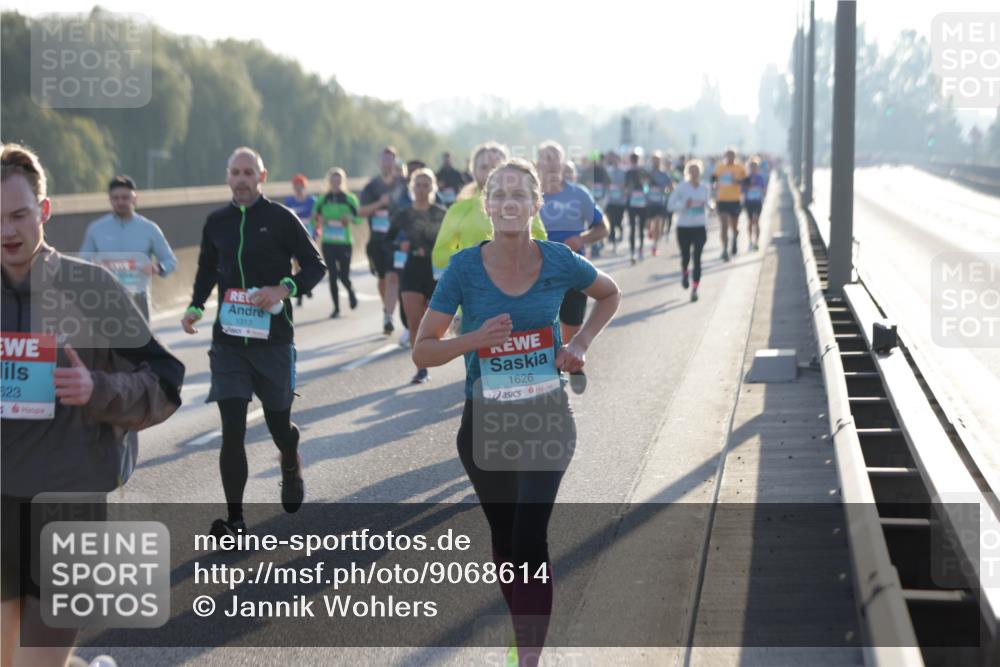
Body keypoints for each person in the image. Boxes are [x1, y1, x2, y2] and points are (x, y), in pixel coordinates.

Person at [412, 158, 620, 667]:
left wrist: (581, 343)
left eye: (519, 194)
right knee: (506, 540)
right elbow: (423, 350)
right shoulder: (464, 268)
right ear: (487, 206)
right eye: (499, 194)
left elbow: (609, 293)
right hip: (485, 423)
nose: (509, 202)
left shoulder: (558, 260)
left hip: (547, 416)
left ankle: (528, 656)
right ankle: (521, 623)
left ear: (535, 205)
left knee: (530, 536)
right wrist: (474, 339)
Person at [2, 143, 184, 667]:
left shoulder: (90, 288)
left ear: (44, 210)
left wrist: (96, 389)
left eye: (18, 215)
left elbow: (165, 381)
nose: (7, 230)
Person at [181, 147, 326, 537]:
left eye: (249, 173)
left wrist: (284, 288)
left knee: (280, 427)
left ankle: (290, 461)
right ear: (227, 176)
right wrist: (195, 306)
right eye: (235, 172)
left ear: (262, 177)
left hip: (273, 341)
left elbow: (316, 266)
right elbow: (207, 268)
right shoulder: (217, 222)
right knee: (232, 429)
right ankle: (236, 520)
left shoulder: (281, 218)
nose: (241, 179)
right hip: (229, 342)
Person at [535, 141, 610, 394]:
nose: (550, 162)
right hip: (537, 270)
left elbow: (603, 228)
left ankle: (571, 357)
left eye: (555, 157)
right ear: (537, 163)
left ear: (563, 162)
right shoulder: (529, 196)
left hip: (572, 269)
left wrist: (582, 238)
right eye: (545, 157)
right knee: (539, 323)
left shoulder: (579, 194)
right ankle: (548, 373)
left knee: (571, 323)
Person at [79, 175, 178, 320]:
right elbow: (82, 263)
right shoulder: (95, 229)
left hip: (138, 300)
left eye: (125, 197)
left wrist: (158, 268)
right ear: (109, 199)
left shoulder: (149, 228)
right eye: (116, 198)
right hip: (105, 299)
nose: (120, 202)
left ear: (135, 197)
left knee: (139, 336)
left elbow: (170, 261)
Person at [387, 168, 446, 383]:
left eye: (426, 185)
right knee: (414, 322)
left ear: (432, 188)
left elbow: (452, 242)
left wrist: (435, 251)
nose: (421, 189)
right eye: (418, 185)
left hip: (435, 272)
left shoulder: (441, 213)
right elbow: (387, 241)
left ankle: (433, 353)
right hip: (411, 270)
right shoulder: (404, 214)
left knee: (432, 325)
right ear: (412, 188)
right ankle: (421, 369)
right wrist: (399, 246)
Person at [359, 147, 409, 335]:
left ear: (395, 162)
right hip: (377, 241)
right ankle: (387, 309)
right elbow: (361, 212)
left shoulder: (403, 184)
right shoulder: (372, 187)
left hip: (396, 241)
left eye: (391, 159)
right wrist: (380, 203)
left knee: (393, 277)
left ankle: (389, 316)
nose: (387, 163)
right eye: (384, 159)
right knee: (382, 280)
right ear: (380, 162)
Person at [313, 168, 362, 317]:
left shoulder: (350, 198)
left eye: (338, 180)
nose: (336, 183)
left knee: (344, 275)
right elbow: (314, 219)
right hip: (328, 243)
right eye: (333, 180)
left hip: (344, 243)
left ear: (343, 181)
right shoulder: (323, 199)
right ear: (329, 182)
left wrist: (350, 219)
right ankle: (336, 308)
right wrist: (319, 221)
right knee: (332, 275)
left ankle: (351, 292)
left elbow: (359, 219)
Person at [668, 158, 711, 302]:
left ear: (700, 172)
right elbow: (670, 205)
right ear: (688, 172)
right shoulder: (682, 187)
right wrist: (683, 206)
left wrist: (710, 206)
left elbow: (708, 203)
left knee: (697, 258)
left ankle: (695, 289)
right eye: (692, 171)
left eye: (697, 171)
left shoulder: (704, 187)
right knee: (685, 256)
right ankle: (685, 273)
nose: (694, 174)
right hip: (684, 227)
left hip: (700, 227)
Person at [283, 174, 318, 306]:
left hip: (309, 236)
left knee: (306, 263)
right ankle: (301, 291)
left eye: (301, 186)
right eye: (296, 186)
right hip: (294, 237)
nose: (298, 188)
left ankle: (306, 286)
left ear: (305, 187)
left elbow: (317, 219)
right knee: (296, 264)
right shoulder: (289, 201)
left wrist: (316, 230)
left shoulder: (312, 201)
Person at [711, 148, 746, 261]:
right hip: (722, 199)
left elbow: (747, 182)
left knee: (734, 226)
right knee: (724, 225)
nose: (730, 157)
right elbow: (713, 179)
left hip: (735, 200)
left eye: (732, 155)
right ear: (725, 156)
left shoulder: (740, 167)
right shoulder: (720, 167)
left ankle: (735, 239)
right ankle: (725, 249)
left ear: (735, 156)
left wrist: (737, 182)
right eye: (728, 155)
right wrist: (714, 184)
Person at [645, 152, 673, 256]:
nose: (656, 162)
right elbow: (644, 185)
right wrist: (647, 191)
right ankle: (650, 231)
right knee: (648, 225)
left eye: (657, 160)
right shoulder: (648, 173)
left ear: (660, 161)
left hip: (659, 203)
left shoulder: (664, 174)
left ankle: (655, 245)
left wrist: (665, 191)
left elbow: (670, 187)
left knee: (658, 224)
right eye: (654, 160)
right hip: (649, 203)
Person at [623, 150, 649, 264]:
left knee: (641, 228)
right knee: (633, 228)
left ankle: (640, 249)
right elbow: (625, 187)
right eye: (633, 159)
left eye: (636, 159)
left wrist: (645, 190)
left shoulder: (643, 171)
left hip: (642, 203)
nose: (634, 161)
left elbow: (648, 185)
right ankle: (633, 251)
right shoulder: (628, 172)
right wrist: (628, 191)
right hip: (632, 203)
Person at [603, 151, 627, 253]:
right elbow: (604, 182)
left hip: (620, 201)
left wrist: (623, 187)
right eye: (612, 159)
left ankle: (621, 230)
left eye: (616, 159)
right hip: (610, 200)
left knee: (618, 221)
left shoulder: (623, 172)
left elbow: (627, 185)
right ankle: (613, 241)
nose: (614, 161)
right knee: (610, 221)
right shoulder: (608, 171)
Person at [742, 157, 767, 251]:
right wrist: (749, 186)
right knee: (750, 222)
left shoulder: (760, 178)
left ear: (758, 168)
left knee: (756, 220)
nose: (753, 169)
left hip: (757, 202)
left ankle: (756, 242)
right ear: (749, 168)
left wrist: (761, 192)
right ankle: (750, 241)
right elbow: (743, 190)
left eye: (755, 167)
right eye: (752, 167)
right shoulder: (747, 178)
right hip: (749, 202)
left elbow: (764, 189)